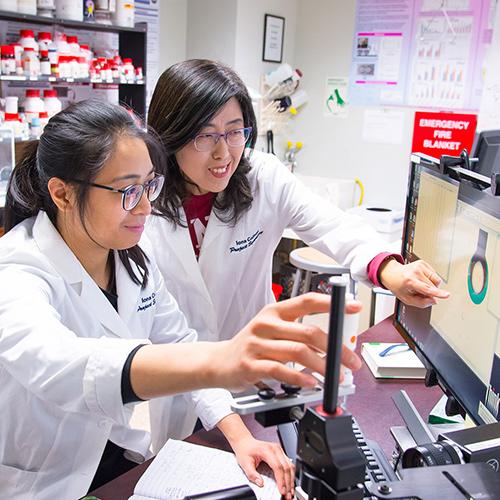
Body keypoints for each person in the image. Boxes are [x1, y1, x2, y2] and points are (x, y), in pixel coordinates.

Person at [0, 100, 361, 499]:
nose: (145, 207)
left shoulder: (130, 260)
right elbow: (60, 366)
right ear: (63, 195)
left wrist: (240, 436)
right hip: (43, 481)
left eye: (150, 185)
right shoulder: (17, 270)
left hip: (118, 466)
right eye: (127, 191)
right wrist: (220, 361)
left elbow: (179, 342)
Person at [145, 59, 450, 448]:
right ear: (171, 136)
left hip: (255, 381)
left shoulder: (263, 179)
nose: (223, 153)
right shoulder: (143, 203)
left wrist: (388, 270)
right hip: (178, 384)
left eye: (235, 132)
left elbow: (331, 224)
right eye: (205, 136)